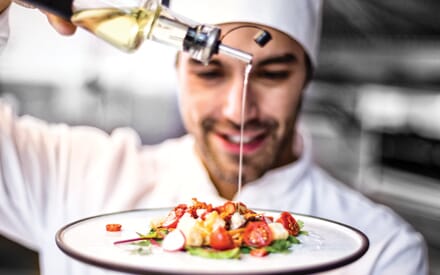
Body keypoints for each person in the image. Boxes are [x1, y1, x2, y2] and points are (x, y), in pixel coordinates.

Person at [0, 0, 428, 274]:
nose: (238, 111)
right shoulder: (72, 175)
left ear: (306, 79)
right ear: (178, 72)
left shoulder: (381, 248)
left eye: (275, 74)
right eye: (208, 71)